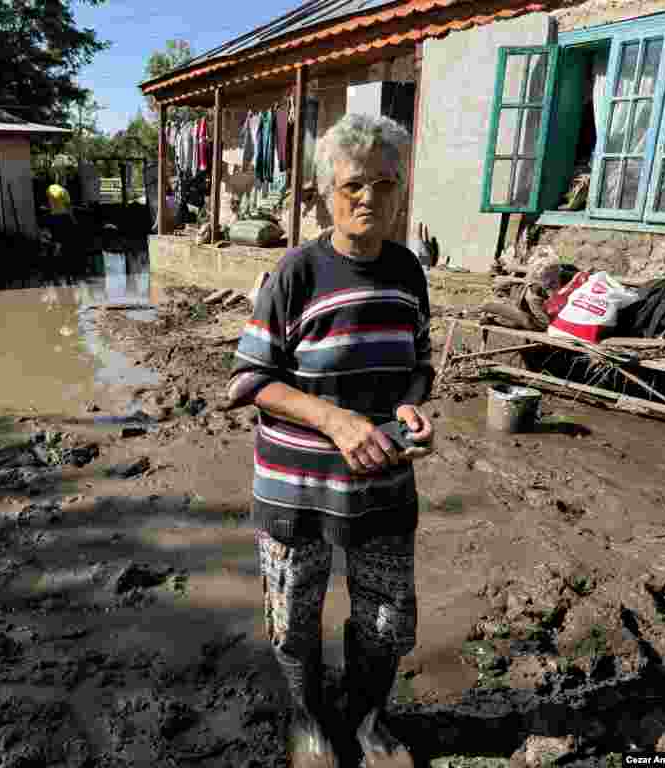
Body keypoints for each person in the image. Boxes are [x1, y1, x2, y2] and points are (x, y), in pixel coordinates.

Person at [226, 113, 435, 768]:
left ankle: (369, 722)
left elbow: (419, 365)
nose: (369, 197)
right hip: (297, 490)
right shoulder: (297, 273)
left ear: (400, 192)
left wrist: (413, 407)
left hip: (382, 489)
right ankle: (310, 720)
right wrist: (337, 421)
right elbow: (251, 381)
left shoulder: (408, 272)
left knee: (386, 623)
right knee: (293, 619)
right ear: (324, 191)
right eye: (352, 185)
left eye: (384, 183)